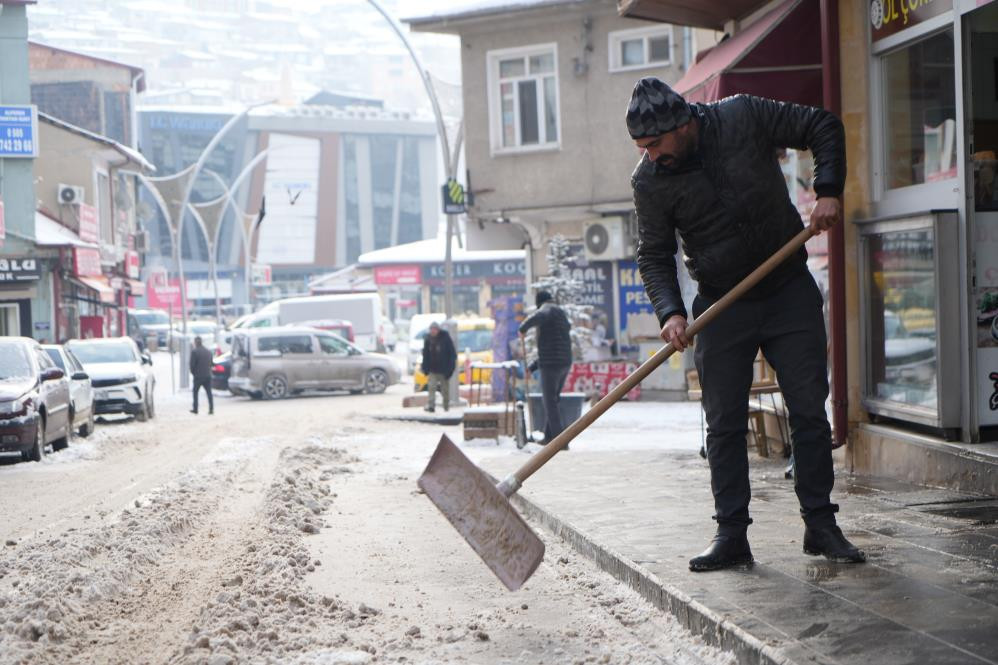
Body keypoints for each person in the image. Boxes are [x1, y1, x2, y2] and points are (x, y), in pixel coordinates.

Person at [627, 77, 865, 571]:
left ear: (682, 124)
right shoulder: (648, 181)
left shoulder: (742, 115)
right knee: (724, 426)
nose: (650, 156)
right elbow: (653, 254)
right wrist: (670, 312)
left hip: (786, 289)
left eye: (654, 145)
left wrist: (827, 190)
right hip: (721, 304)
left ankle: (820, 525)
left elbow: (822, 125)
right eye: (641, 148)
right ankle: (731, 535)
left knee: (808, 413)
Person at [519, 291, 573, 444]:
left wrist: (523, 328)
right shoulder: (560, 314)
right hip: (564, 362)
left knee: (549, 402)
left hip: (552, 365)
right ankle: (549, 437)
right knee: (553, 400)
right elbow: (551, 346)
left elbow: (538, 316)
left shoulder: (547, 309)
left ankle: (560, 441)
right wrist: (532, 367)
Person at [421, 322, 456, 413]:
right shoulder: (428, 339)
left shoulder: (445, 338)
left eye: (434, 329)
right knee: (431, 387)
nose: (433, 331)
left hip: (444, 370)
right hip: (433, 369)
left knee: (445, 390)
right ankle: (431, 405)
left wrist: (450, 369)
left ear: (438, 330)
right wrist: (425, 367)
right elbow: (425, 354)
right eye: (431, 329)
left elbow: (452, 354)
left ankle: (446, 406)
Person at [189, 335, 214, 415]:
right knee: (209, 393)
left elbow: (192, 365)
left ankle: (195, 409)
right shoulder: (208, 351)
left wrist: (194, 373)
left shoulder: (194, 352)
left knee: (195, 392)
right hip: (208, 375)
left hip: (198, 376)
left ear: (196, 342)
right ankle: (211, 409)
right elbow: (211, 363)